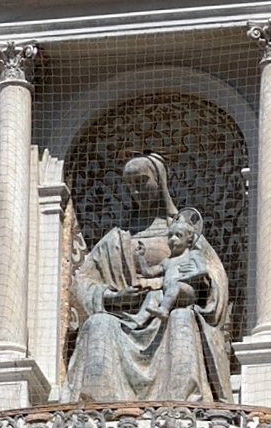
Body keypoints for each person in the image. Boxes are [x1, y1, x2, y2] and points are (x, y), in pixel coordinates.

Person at [61, 156, 232, 407]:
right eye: (130, 185)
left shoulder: (186, 233)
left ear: (159, 182)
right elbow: (83, 281)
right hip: (125, 317)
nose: (136, 190)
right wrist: (114, 297)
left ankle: (181, 404)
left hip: (172, 312)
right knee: (98, 324)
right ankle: (101, 407)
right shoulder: (116, 238)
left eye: (142, 181)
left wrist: (198, 285)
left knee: (181, 319)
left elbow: (215, 276)